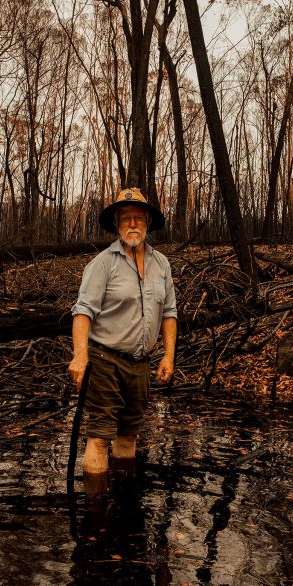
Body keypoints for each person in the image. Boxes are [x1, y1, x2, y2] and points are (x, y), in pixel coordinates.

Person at [68, 187, 177, 476]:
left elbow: (169, 313)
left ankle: (124, 502)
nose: (132, 224)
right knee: (101, 436)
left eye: (138, 218)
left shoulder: (161, 264)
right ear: (117, 224)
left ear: (148, 223)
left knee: (128, 435)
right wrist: (80, 357)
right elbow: (83, 312)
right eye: (126, 218)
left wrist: (168, 357)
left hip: (140, 365)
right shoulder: (102, 264)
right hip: (105, 360)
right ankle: (97, 510)